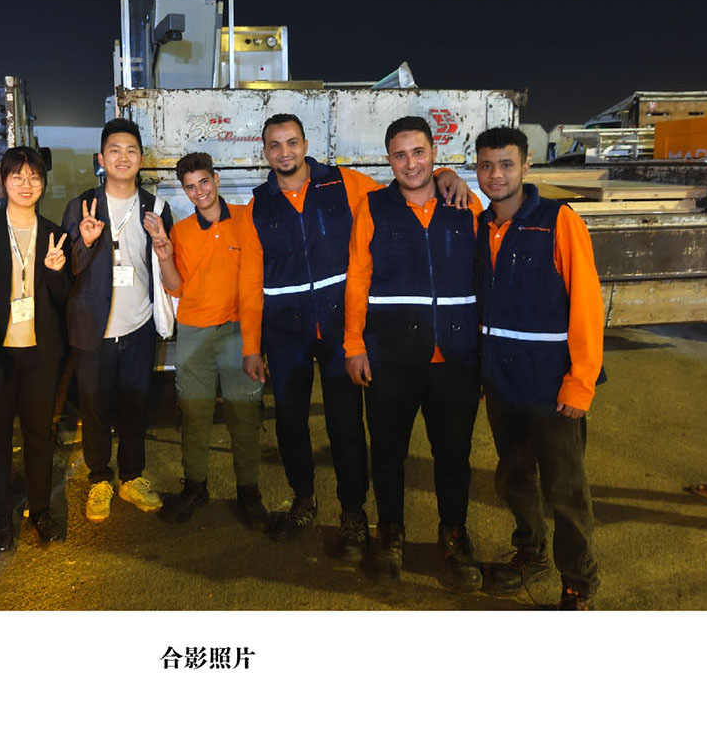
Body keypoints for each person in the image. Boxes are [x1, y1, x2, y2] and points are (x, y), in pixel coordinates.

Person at [238, 113, 471, 562]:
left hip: (338, 331)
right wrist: (252, 345)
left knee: (345, 425)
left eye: (292, 142)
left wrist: (445, 174)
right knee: (290, 423)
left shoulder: (345, 184)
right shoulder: (258, 207)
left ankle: (353, 513)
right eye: (275, 145)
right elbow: (250, 280)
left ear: (306, 145)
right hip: (286, 335)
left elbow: (406, 185)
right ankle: (303, 499)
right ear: (264, 152)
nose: (284, 152)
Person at [344, 117, 483, 588]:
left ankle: (454, 535)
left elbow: (483, 276)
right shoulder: (373, 207)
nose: (410, 164)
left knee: (454, 456)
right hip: (391, 357)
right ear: (389, 160)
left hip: (456, 359)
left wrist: (482, 351)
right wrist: (354, 344)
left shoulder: (465, 205)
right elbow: (358, 277)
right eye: (400, 155)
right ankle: (390, 533)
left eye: (419, 152)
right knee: (387, 454)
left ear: (434, 152)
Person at [474, 127, 604, 610]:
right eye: (486, 165)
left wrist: (581, 382)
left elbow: (587, 305)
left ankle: (578, 583)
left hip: (551, 386)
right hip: (503, 383)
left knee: (564, 491)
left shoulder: (558, 221)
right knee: (513, 478)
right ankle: (531, 551)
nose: (496, 175)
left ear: (526, 166)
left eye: (507, 164)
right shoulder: (481, 226)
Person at [144, 152, 268, 527]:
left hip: (237, 330)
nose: (199, 192)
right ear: (185, 191)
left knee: (244, 414)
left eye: (203, 182)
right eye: (190, 187)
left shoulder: (247, 219)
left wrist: (256, 341)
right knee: (194, 413)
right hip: (194, 331)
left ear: (215, 179)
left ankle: (249, 491)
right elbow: (176, 287)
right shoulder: (181, 232)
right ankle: (195, 486)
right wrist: (164, 255)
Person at [62, 118, 173, 522]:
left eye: (131, 150)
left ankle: (131, 476)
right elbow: (67, 269)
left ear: (141, 158)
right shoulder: (81, 206)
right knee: (93, 408)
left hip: (138, 325)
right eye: (114, 150)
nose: (122, 157)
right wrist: (86, 242)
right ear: (101, 158)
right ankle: (99, 478)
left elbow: (164, 264)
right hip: (93, 327)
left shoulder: (156, 208)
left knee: (134, 406)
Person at [0, 146, 70, 552]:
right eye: (17, 177)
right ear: (3, 181)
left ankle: (40, 509)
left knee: (40, 434)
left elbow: (62, 296)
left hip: (41, 353)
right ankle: (2, 518)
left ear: (43, 183)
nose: (27, 184)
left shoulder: (54, 232)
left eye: (34, 177)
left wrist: (56, 272)